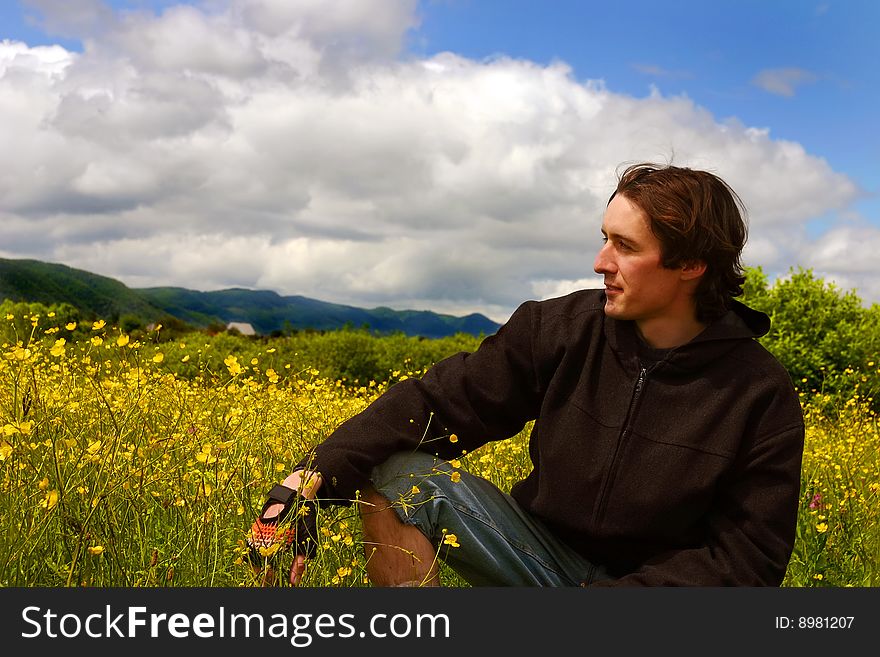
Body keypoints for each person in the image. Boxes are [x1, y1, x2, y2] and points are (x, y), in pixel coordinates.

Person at [248, 162, 806, 587]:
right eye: (604, 236)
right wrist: (309, 484)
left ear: (690, 265)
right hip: (539, 562)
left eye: (625, 246)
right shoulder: (561, 327)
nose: (600, 261)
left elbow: (747, 561)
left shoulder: (758, 392)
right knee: (398, 470)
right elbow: (438, 404)